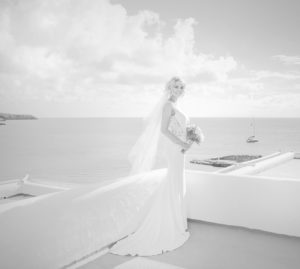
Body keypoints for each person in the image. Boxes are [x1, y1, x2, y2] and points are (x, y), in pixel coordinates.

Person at [109, 77, 191, 256]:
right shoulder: (168, 105)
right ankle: (169, 222)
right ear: (169, 88)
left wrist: (189, 138)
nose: (178, 89)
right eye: (175, 86)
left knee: (177, 181)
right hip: (174, 147)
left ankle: (177, 220)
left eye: (180, 87)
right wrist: (182, 143)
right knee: (174, 180)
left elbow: (179, 127)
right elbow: (163, 130)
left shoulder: (177, 106)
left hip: (179, 147)